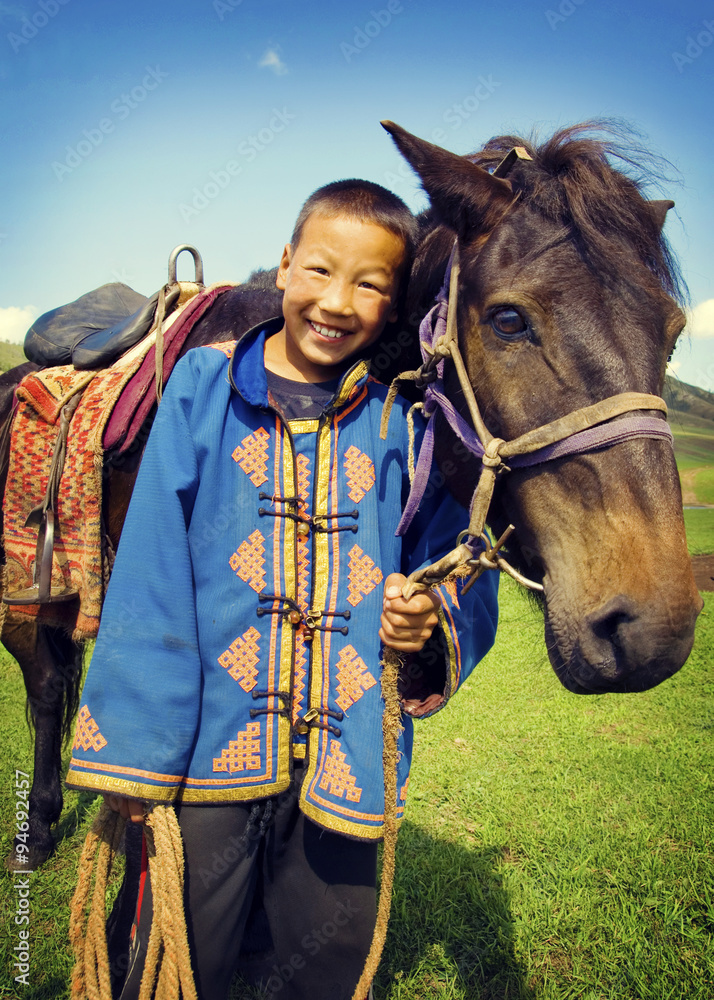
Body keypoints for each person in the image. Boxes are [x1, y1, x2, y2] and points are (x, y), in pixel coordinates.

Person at [66, 179, 499, 1000]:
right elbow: (153, 574)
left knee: (322, 965)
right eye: (321, 272)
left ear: (395, 301)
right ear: (285, 266)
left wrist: (428, 615)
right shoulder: (204, 387)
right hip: (207, 758)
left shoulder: (401, 419)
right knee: (179, 957)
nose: (338, 302)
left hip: (349, 759)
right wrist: (134, 752)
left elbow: (456, 562)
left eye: (370, 284)